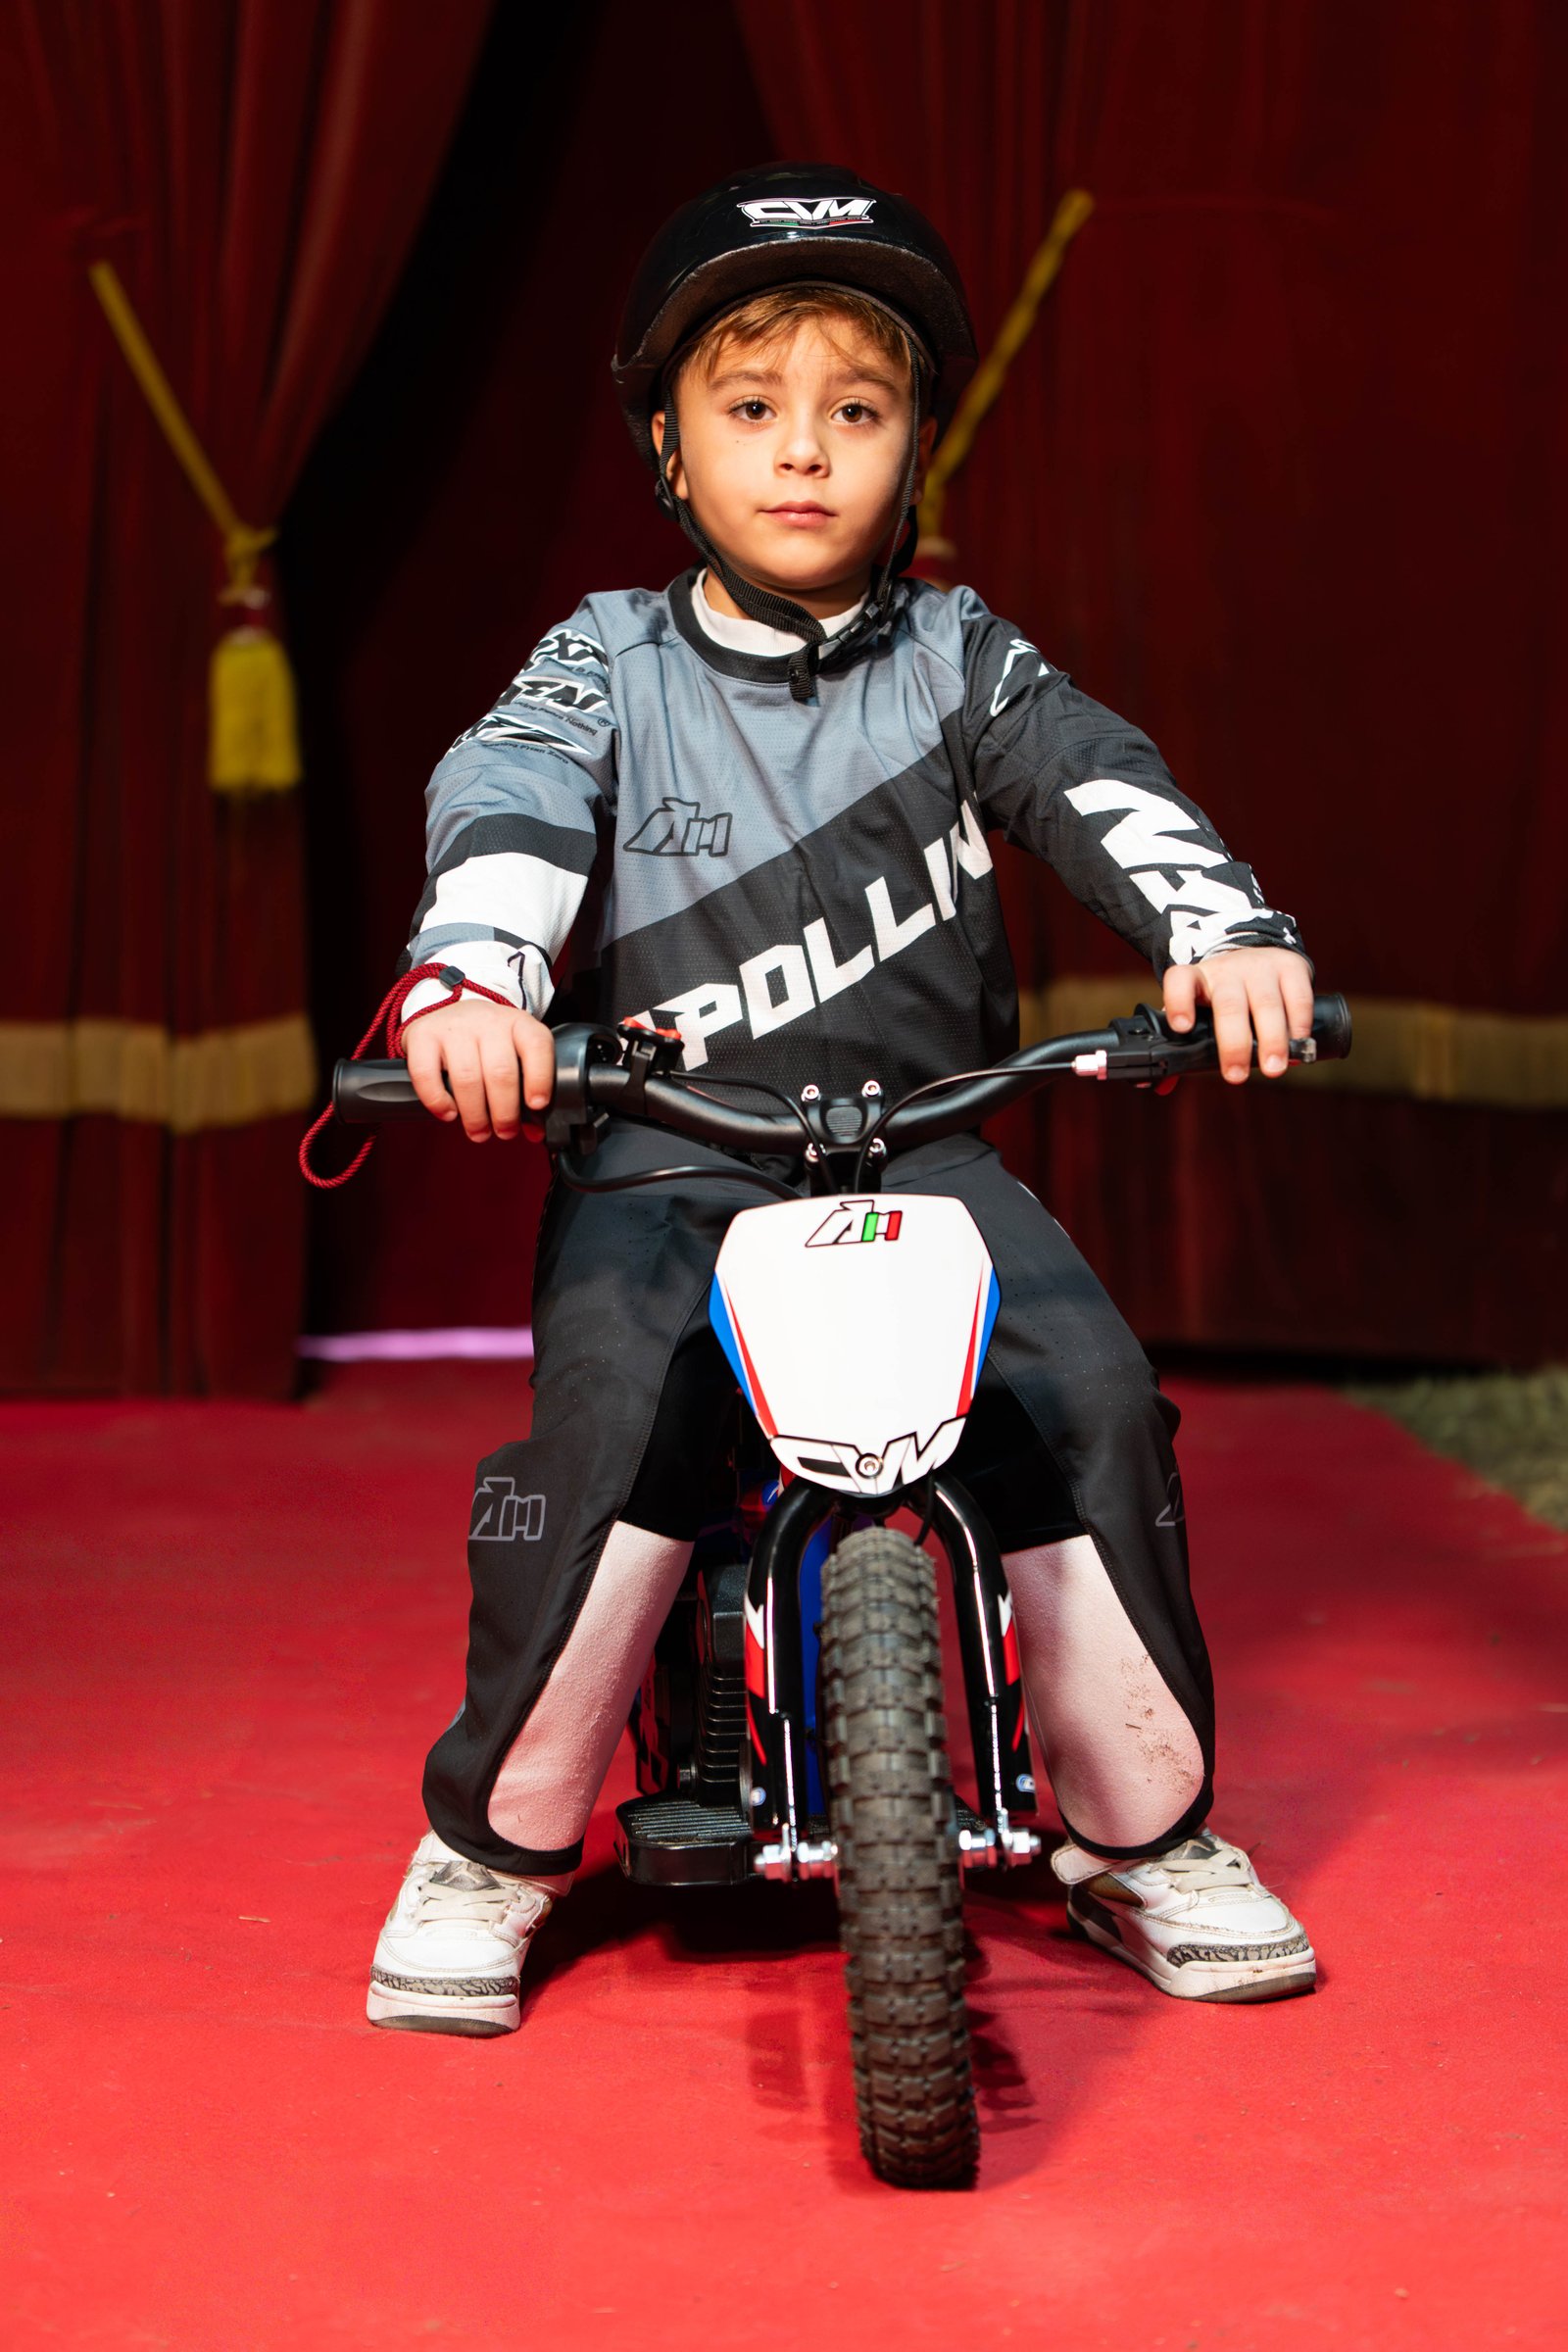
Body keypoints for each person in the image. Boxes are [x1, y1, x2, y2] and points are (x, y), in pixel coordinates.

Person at [367, 165, 1318, 2037]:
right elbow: (508, 801)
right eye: (750, 406)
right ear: (668, 444)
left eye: (856, 410)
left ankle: (1141, 1829)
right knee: (610, 1435)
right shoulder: (606, 661)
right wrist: (475, 977)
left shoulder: (962, 662)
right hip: (670, 1153)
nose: (803, 451)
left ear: (914, 448)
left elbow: (1103, 783)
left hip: (928, 1144)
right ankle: (496, 1842)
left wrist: (1223, 933)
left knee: (1090, 1398)